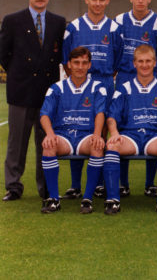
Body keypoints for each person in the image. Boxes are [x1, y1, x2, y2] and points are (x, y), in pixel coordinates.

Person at [0, 0, 66, 201]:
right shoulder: (12, 20)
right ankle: (13, 186)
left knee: (45, 141)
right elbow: (4, 54)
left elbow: (58, 55)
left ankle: (45, 187)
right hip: (20, 92)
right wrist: (19, 74)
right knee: (16, 143)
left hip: (47, 92)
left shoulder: (58, 22)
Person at [61, 0, 122, 199]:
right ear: (86, 0)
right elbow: (66, 59)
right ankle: (76, 185)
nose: (97, 3)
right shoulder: (74, 27)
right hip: (79, 82)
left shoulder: (114, 28)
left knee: (103, 131)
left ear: (107, 1)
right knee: (77, 127)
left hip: (105, 82)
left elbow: (118, 59)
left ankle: (100, 183)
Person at [103, 45, 157, 215]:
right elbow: (111, 117)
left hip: (154, 136)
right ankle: (113, 199)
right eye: (140, 61)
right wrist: (114, 133)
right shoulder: (124, 88)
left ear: (156, 63)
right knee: (112, 146)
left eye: (148, 61)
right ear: (134, 64)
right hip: (130, 136)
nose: (144, 65)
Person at [115, 0, 157, 198]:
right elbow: (117, 50)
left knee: (153, 124)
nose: (140, 0)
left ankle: (150, 183)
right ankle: (123, 183)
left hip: (150, 77)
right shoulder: (119, 20)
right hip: (126, 77)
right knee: (123, 125)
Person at [39, 47, 106, 213]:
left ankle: (87, 199)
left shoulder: (98, 87)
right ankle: (54, 198)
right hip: (63, 136)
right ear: (68, 64)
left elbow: (100, 113)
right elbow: (44, 115)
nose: (80, 66)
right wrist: (50, 134)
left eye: (84, 63)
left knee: (97, 146)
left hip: (86, 135)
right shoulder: (56, 88)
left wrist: (97, 135)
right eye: (76, 62)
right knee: (48, 145)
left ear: (89, 65)